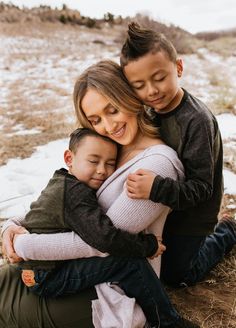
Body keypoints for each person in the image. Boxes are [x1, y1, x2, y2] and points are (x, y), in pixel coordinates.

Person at [1, 60, 200, 328]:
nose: (107, 125)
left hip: (107, 291)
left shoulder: (156, 166)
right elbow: (62, 202)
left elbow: (99, 242)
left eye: (112, 110)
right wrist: (14, 225)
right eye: (95, 119)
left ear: (129, 98)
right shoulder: (113, 150)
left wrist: (24, 244)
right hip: (59, 266)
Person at [15, 126, 170, 328]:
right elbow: (104, 238)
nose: (102, 170)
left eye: (110, 163)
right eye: (94, 161)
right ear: (69, 159)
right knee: (129, 263)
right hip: (46, 276)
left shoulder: (64, 182)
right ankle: (168, 321)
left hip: (39, 270)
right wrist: (147, 246)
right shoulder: (73, 193)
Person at [119, 22, 236, 286]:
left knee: (175, 276)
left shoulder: (196, 120)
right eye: (139, 85)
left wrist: (156, 188)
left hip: (191, 218)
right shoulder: (147, 111)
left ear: (179, 68)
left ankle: (226, 231)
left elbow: (202, 189)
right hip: (163, 209)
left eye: (159, 78)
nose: (151, 90)